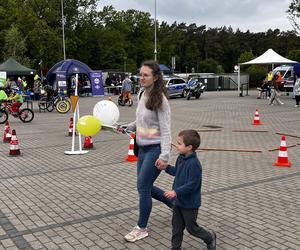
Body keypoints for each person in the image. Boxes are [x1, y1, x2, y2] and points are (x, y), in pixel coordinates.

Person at [122, 60, 173, 242]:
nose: (141, 78)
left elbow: (166, 130)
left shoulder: (161, 100)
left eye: (146, 75)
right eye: (140, 74)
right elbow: (141, 121)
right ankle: (175, 204)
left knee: (143, 187)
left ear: (155, 77)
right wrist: (128, 127)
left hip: (155, 149)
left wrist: (164, 156)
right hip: (142, 149)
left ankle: (141, 227)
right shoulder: (142, 94)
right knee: (144, 186)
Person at [157, 130, 216, 250]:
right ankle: (175, 247)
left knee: (192, 228)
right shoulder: (181, 158)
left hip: (190, 203)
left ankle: (210, 237)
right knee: (176, 227)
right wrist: (166, 167)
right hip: (178, 201)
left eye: (179, 144)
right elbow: (177, 172)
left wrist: (175, 192)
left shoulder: (194, 164)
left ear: (189, 147)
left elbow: (192, 185)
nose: (176, 145)